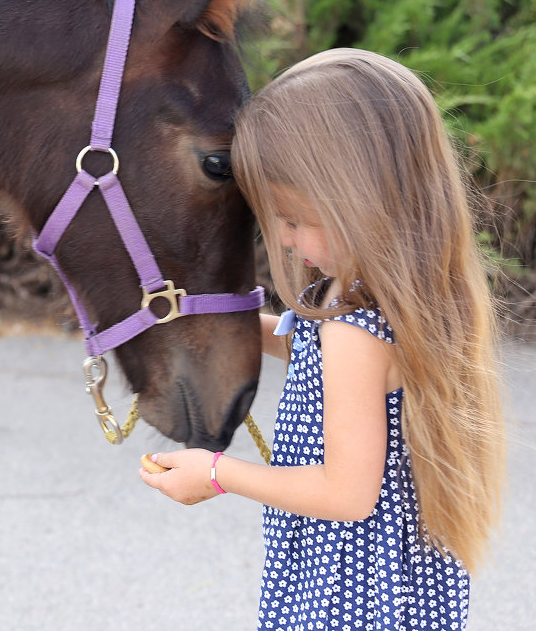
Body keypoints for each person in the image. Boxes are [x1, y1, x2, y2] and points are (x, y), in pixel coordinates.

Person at [139, 48, 506, 630]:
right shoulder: (383, 291)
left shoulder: (353, 328)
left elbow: (346, 495)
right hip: (389, 584)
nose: (282, 240)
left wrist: (215, 473)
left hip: (345, 596)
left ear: (357, 198)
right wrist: (217, 321)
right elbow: (318, 360)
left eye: (291, 217)